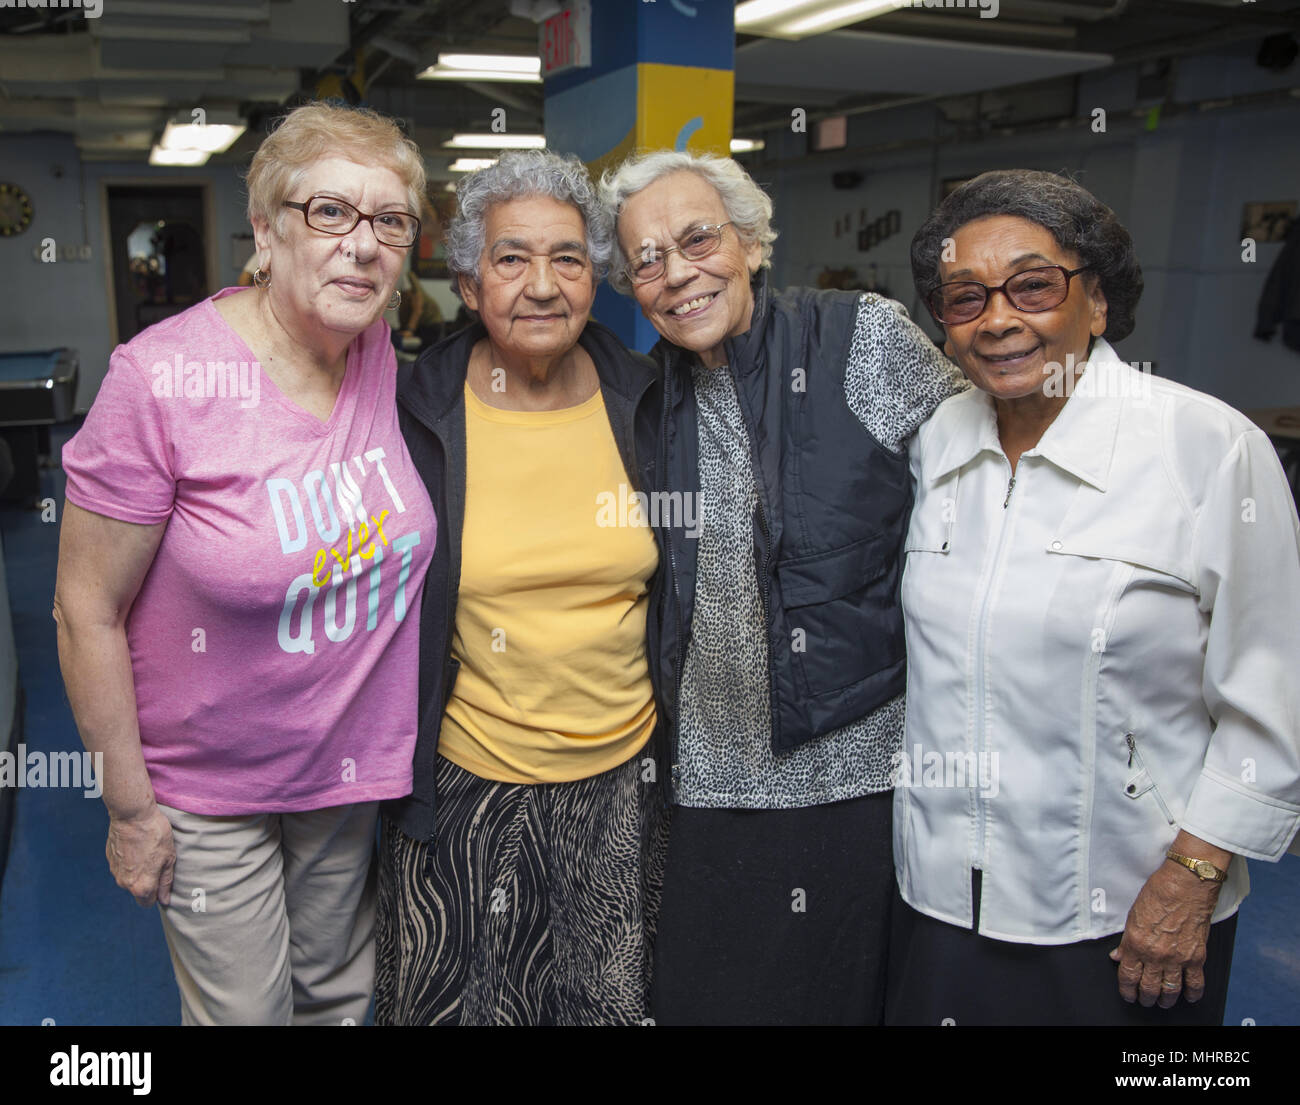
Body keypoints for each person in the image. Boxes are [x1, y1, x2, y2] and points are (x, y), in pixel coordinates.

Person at [52, 102, 437, 1025]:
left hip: (346, 773)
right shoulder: (162, 379)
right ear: (265, 231)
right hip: (206, 787)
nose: (362, 245)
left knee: (342, 1000)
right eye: (330, 213)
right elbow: (83, 609)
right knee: (247, 1016)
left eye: (389, 221)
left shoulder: (383, 355)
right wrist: (130, 809)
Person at [890, 168, 1300, 1025]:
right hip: (938, 899)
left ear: (1098, 300)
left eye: (1032, 286)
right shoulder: (931, 445)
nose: (998, 319)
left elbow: (1273, 696)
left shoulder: (1207, 449)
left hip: (1131, 912)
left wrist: (1190, 880)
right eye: (964, 298)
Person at [600, 150, 965, 1024]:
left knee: (836, 1001)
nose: (677, 273)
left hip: (852, 776)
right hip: (702, 783)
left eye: (698, 239)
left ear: (753, 241)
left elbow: (981, 496)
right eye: (647, 260)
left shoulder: (860, 340)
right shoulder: (648, 396)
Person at [373, 150, 667, 1026]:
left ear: (596, 277)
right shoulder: (412, 410)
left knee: (604, 1008)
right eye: (511, 258)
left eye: (568, 258)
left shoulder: (648, 400)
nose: (542, 285)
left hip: (624, 783)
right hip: (465, 783)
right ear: (467, 282)